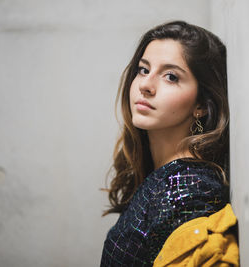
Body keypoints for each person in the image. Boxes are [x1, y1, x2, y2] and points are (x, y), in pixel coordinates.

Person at [100, 20, 230, 266]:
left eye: (171, 76)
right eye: (143, 69)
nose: (146, 85)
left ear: (201, 105)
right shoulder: (167, 178)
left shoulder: (188, 189)